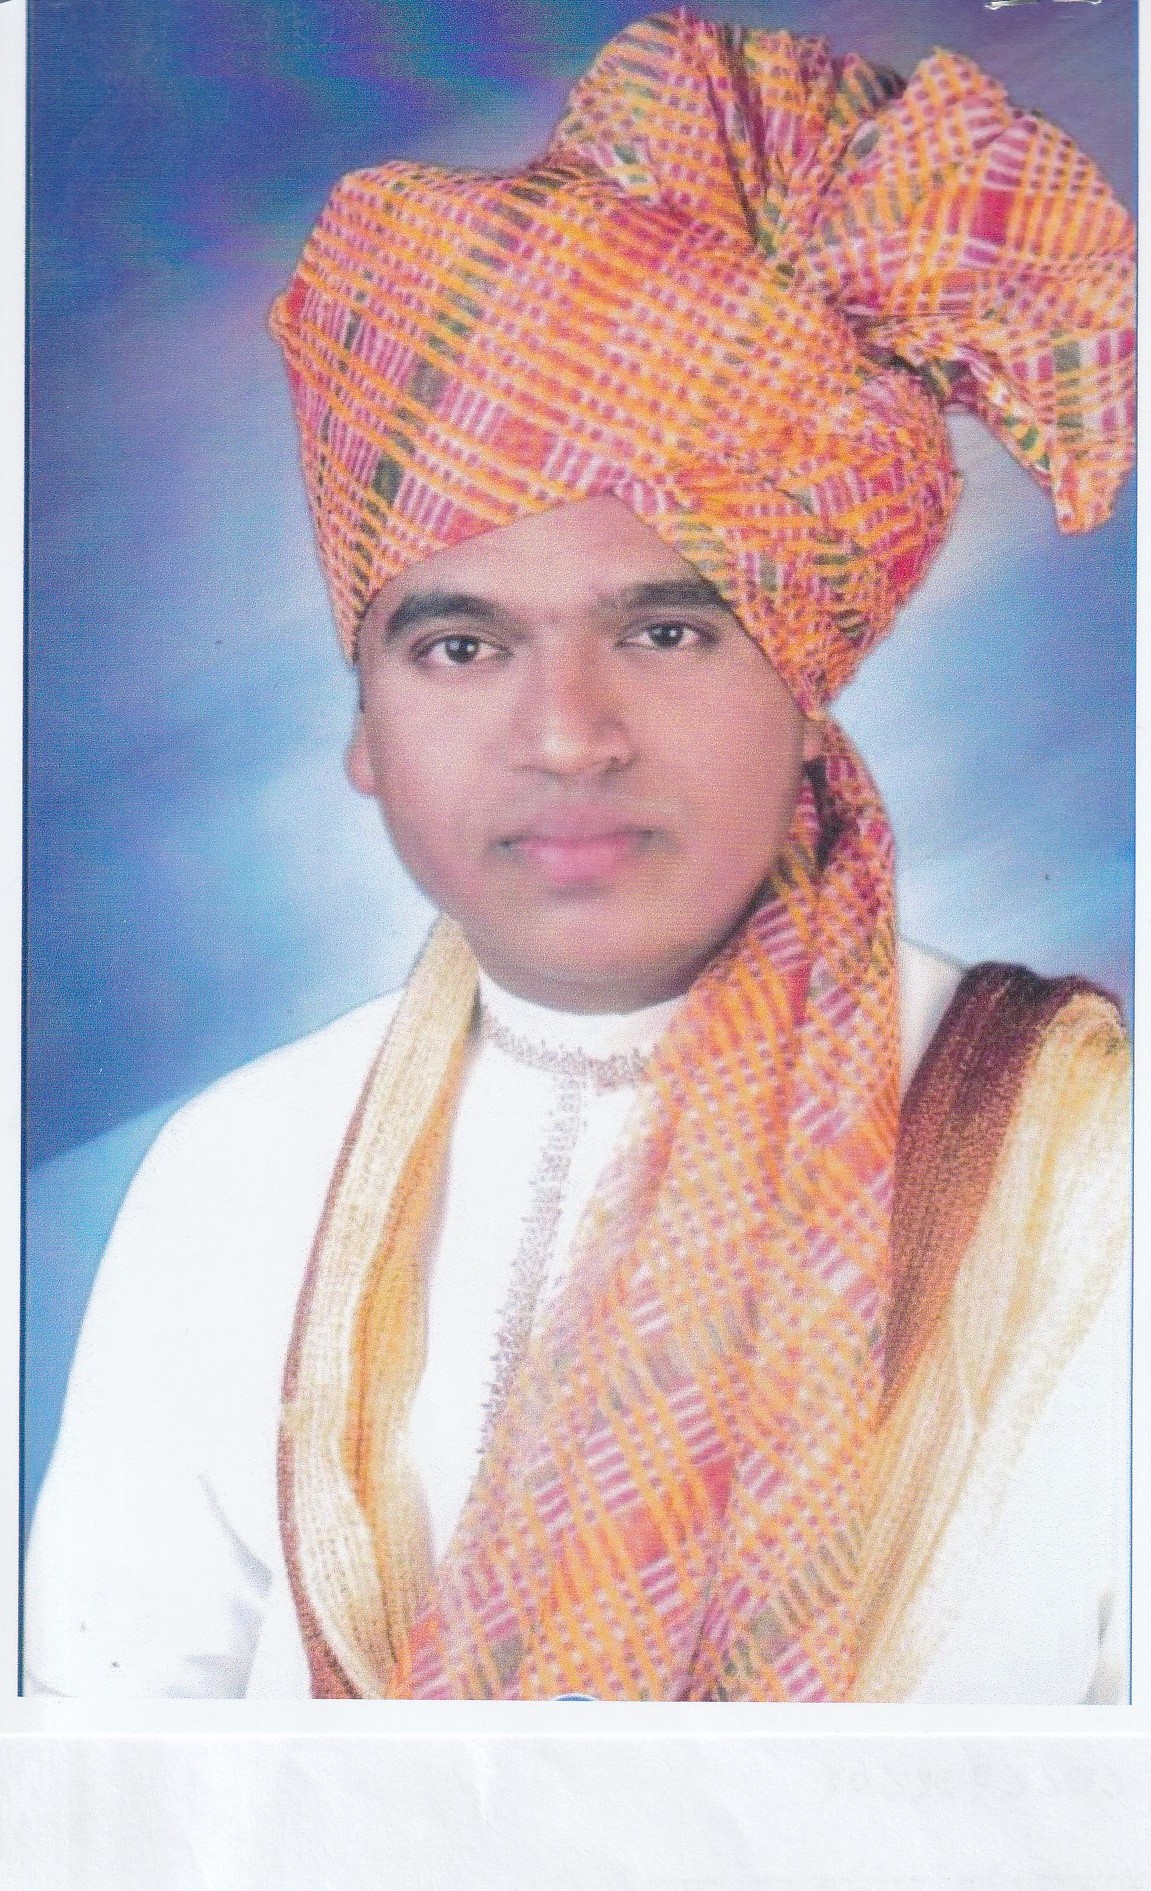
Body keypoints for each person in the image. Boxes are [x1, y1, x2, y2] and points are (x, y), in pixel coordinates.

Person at [24, 11, 1133, 1702]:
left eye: (669, 633)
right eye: (461, 648)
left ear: (808, 689)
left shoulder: (1083, 1164)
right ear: (367, 728)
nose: (566, 734)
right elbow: (103, 1774)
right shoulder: (240, 1171)